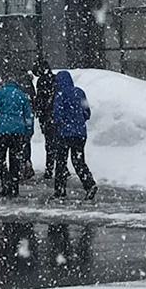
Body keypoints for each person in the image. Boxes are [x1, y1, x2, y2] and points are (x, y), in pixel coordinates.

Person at [0, 75, 35, 199]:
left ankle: (5, 182)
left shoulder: (0, 93)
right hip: (18, 132)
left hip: (2, 131)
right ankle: (15, 186)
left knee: (0, 158)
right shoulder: (22, 95)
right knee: (15, 160)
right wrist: (29, 131)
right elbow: (28, 115)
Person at [49, 69, 97, 199]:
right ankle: (89, 184)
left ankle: (60, 190)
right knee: (78, 161)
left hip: (64, 133)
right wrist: (78, 120)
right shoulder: (80, 92)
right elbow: (87, 113)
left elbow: (56, 115)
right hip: (80, 133)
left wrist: (59, 124)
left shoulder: (60, 94)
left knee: (61, 162)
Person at [29, 59, 58, 188]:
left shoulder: (42, 81)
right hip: (56, 117)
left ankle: (49, 168)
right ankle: (59, 167)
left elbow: (40, 100)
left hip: (47, 117)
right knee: (57, 143)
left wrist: (38, 111)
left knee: (50, 144)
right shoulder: (55, 79)